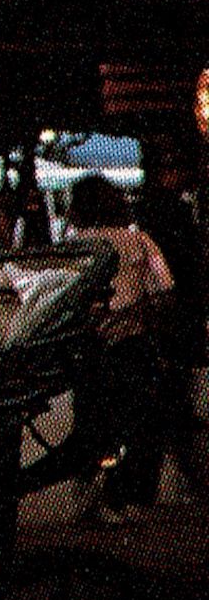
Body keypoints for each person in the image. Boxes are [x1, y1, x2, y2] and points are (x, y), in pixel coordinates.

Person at [66, 173, 175, 517]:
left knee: (92, 420)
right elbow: (165, 288)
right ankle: (126, 495)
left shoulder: (75, 244)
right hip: (133, 343)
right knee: (139, 421)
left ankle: (88, 487)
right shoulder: (140, 241)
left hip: (88, 346)